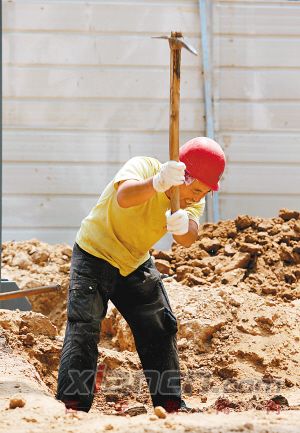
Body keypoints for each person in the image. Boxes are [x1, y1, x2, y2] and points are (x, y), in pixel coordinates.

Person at [56, 136, 226, 413]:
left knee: (160, 327)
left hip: (134, 261)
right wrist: (158, 183)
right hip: (93, 253)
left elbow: (188, 238)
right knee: (84, 327)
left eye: (204, 193)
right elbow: (124, 197)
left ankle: (170, 404)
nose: (198, 197)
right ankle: (72, 405)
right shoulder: (145, 167)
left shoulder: (192, 201)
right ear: (182, 176)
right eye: (195, 189)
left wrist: (184, 227)